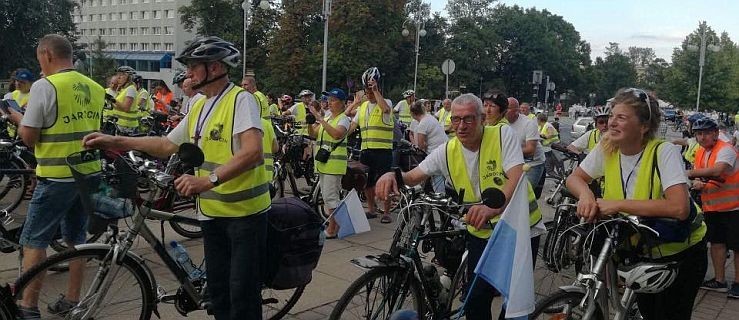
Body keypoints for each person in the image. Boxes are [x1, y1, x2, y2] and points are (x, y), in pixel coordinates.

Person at [84, 36, 269, 320]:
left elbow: (253, 152)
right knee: (219, 294)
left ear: (216, 67)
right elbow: (166, 144)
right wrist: (115, 140)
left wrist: (208, 181)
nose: (189, 73)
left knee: (242, 296)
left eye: (195, 67)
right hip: (212, 214)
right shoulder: (198, 105)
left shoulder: (240, 100)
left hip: (245, 217)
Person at [375, 94, 541, 320]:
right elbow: (413, 176)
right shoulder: (448, 150)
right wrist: (391, 175)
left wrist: (492, 208)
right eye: (456, 119)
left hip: (519, 229)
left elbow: (515, 176)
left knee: (513, 303)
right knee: (475, 300)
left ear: (482, 118)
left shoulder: (503, 135)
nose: (461, 126)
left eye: (469, 119)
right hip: (481, 231)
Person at [566, 88, 707, 320]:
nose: (611, 122)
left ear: (643, 127)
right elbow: (575, 178)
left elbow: (679, 208)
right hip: (641, 250)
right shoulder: (607, 147)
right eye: (611, 116)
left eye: (621, 117)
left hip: (679, 254)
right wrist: (586, 195)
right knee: (648, 310)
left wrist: (616, 204)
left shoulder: (664, 152)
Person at [0, 34, 105, 320]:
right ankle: (72, 300)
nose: (40, 68)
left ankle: (28, 306)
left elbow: (30, 138)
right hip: (88, 175)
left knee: (34, 240)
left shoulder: (46, 86)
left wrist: (17, 119)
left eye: (39, 61)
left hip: (56, 176)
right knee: (77, 240)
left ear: (46, 55)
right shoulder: (95, 87)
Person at [685, 116, 739, 298]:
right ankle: (720, 281)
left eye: (707, 133)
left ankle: (738, 284)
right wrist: (698, 182)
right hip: (713, 207)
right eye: (699, 134)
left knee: (737, 247)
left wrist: (689, 174)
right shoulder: (700, 152)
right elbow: (704, 177)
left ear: (716, 133)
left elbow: (718, 171)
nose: (703, 137)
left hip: (735, 208)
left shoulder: (726, 149)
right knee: (717, 244)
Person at [347, 67, 394, 223]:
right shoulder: (363, 108)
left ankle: (386, 212)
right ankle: (372, 210)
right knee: (368, 183)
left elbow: (385, 109)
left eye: (371, 90)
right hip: (366, 151)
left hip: (383, 151)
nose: (369, 93)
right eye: (367, 91)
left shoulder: (386, 102)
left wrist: (376, 91)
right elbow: (351, 126)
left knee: (384, 183)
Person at [307, 88, 349, 238]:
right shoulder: (330, 117)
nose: (329, 103)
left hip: (334, 166)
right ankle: (335, 225)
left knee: (331, 198)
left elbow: (337, 134)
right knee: (327, 198)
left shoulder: (344, 119)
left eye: (333, 100)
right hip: (324, 164)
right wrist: (310, 122)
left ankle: (333, 229)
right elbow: (314, 134)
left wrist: (320, 118)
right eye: (328, 100)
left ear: (342, 103)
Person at [505, 97, 546, 198]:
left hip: (532, 164)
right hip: (512, 162)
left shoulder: (528, 123)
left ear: (517, 111)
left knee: (523, 196)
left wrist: (507, 152)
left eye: (507, 108)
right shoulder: (500, 123)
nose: (504, 111)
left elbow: (530, 150)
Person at [409, 100, 448, 193]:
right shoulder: (430, 118)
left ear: (413, 114)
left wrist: (417, 146)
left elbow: (420, 146)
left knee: (435, 175)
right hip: (445, 149)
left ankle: (441, 199)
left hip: (436, 153)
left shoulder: (422, 124)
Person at [107, 66, 139, 130]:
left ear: (128, 77)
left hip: (127, 126)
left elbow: (126, 108)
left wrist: (113, 100)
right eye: (118, 75)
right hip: (119, 124)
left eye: (121, 75)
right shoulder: (123, 89)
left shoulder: (131, 89)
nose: (118, 77)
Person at [537, 113, 560, 178]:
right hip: (546, 149)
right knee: (549, 168)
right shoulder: (539, 127)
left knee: (558, 165)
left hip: (554, 148)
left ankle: (562, 179)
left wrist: (543, 137)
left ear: (539, 119)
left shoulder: (548, 125)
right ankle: (559, 179)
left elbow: (551, 134)